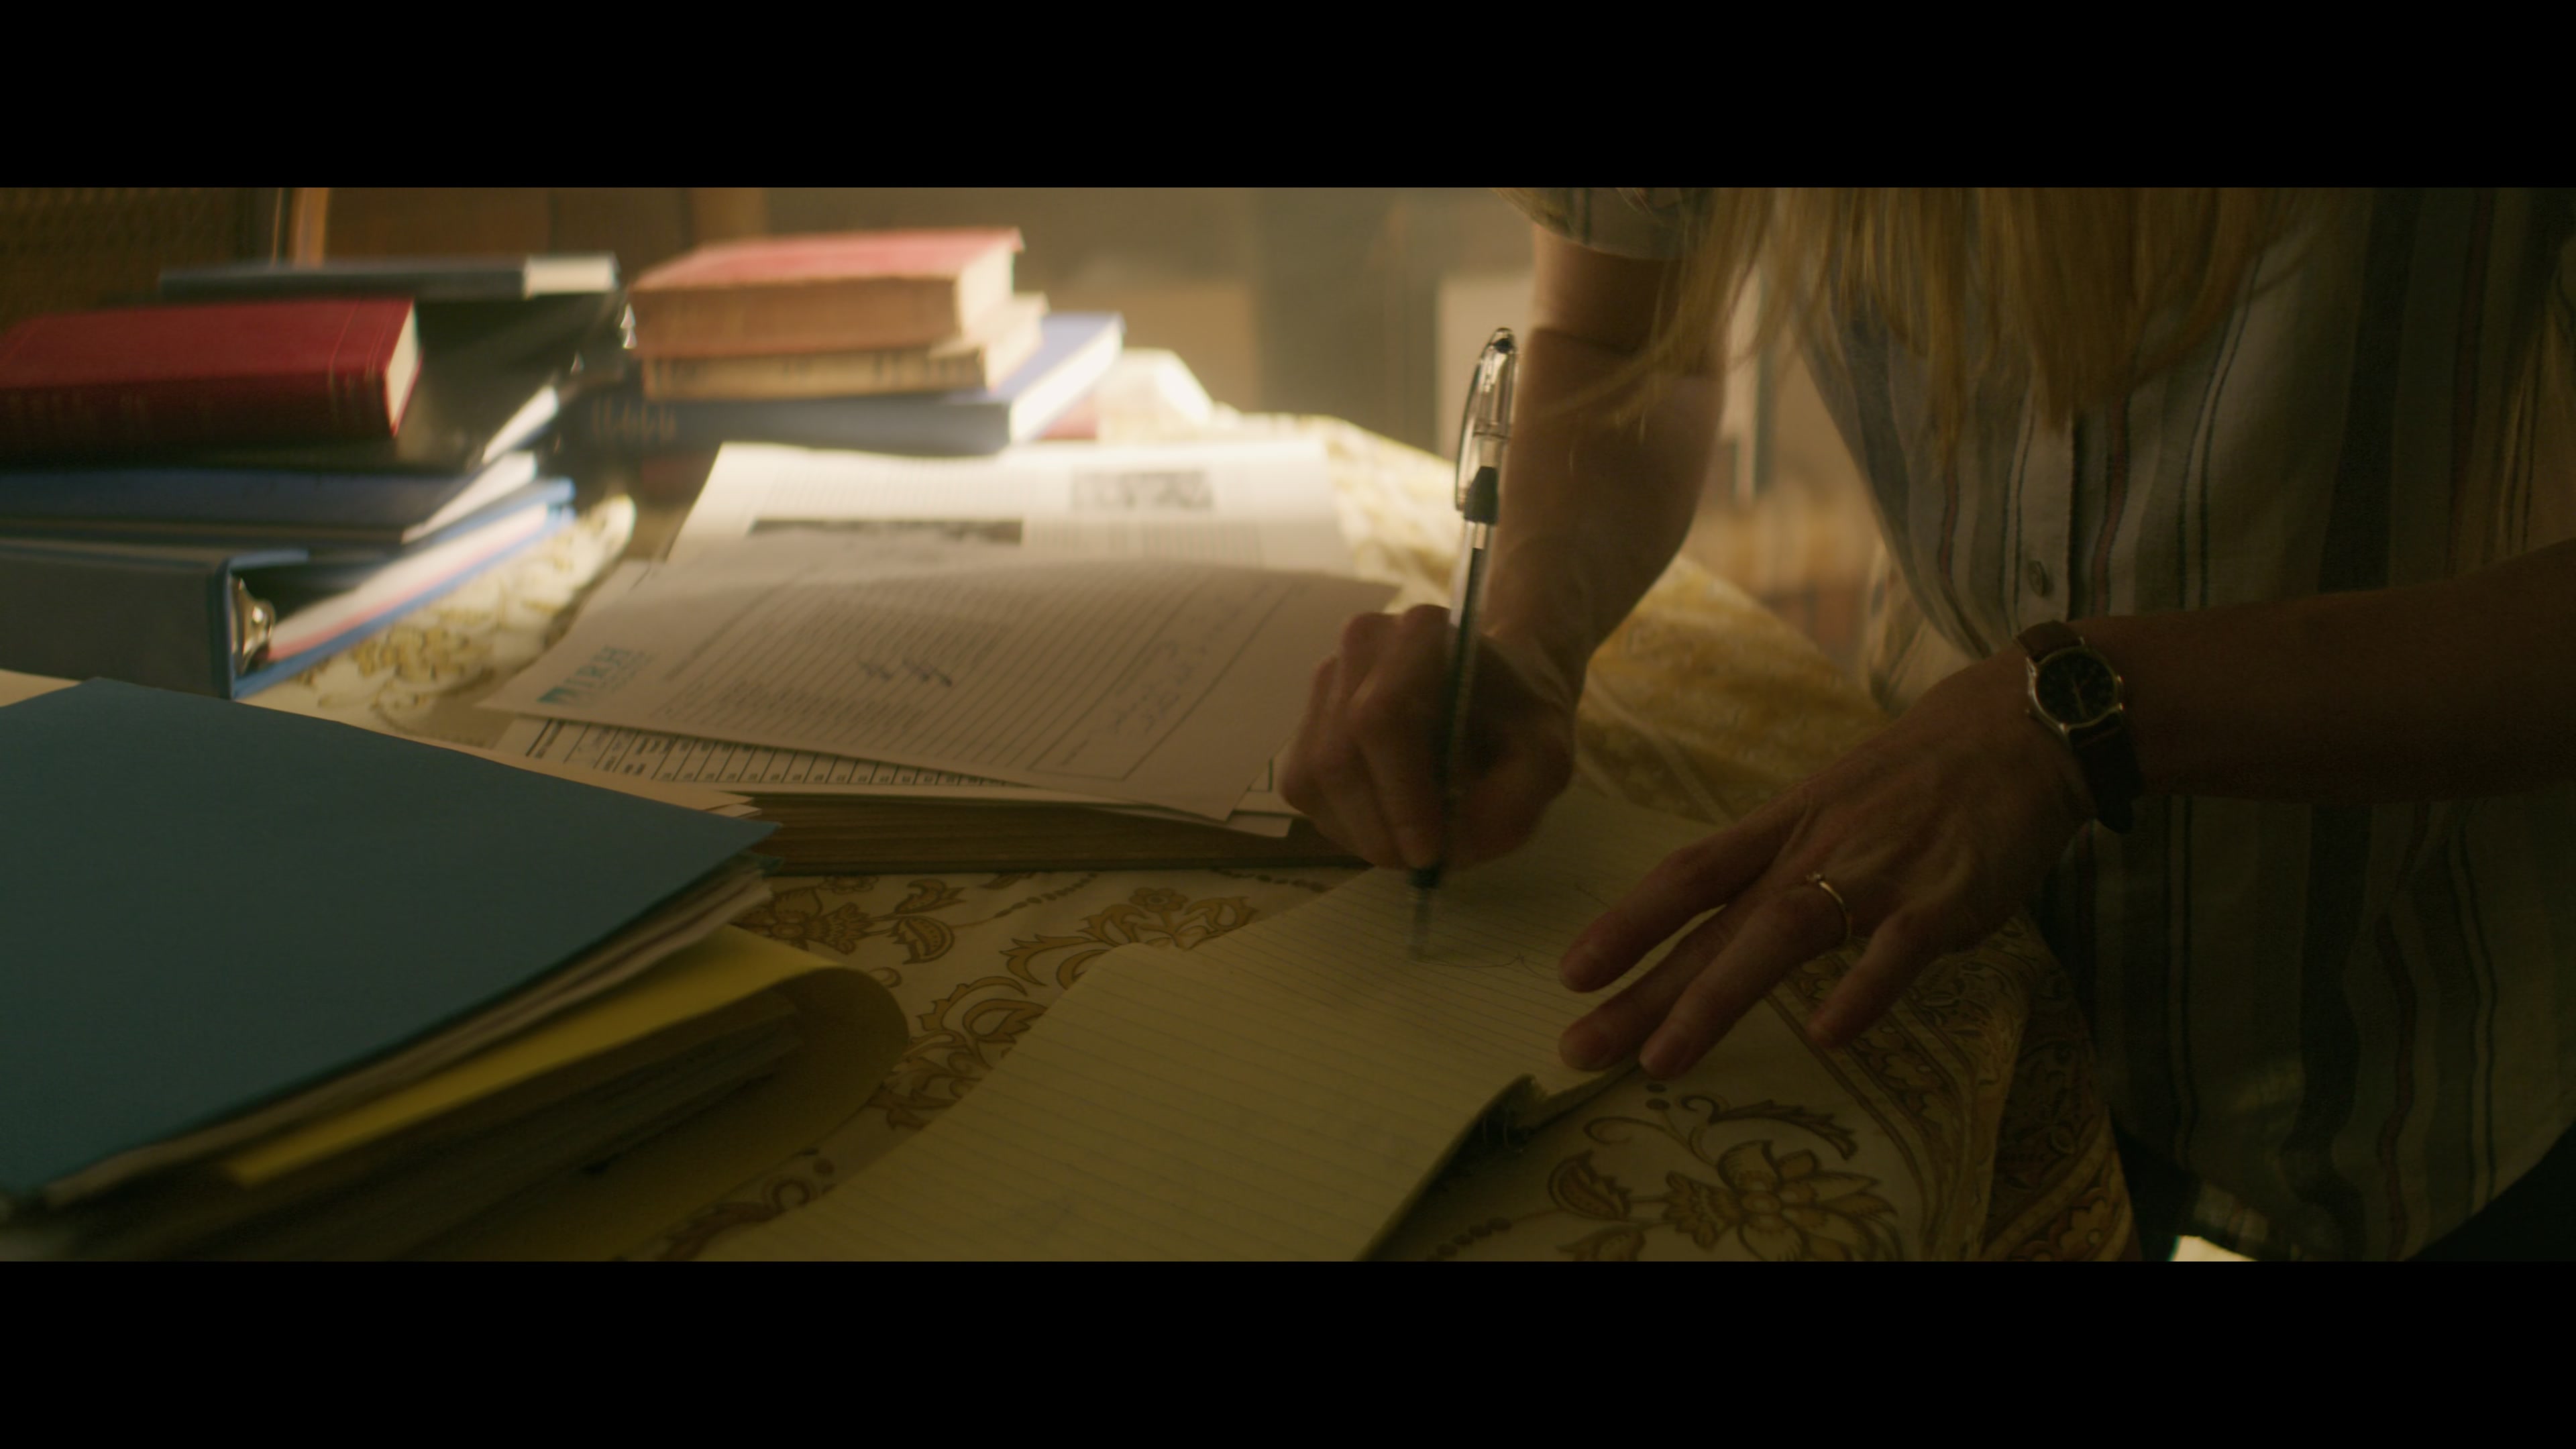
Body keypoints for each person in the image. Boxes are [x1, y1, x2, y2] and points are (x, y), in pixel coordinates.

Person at [1279, 188, 2576, 1261]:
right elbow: (1620, 341)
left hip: (2428, 1018)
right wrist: (1528, 636)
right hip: (1939, 975)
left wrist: (2085, 717)